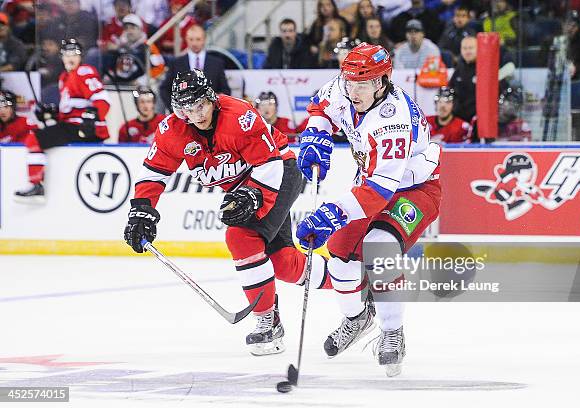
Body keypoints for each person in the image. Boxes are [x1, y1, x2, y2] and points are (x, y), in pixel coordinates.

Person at [123, 69, 332, 356]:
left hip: (279, 173)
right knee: (283, 263)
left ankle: (266, 323)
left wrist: (253, 194)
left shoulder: (239, 117)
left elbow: (269, 162)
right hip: (248, 184)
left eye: (200, 106)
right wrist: (142, 210)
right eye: (187, 109)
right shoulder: (173, 130)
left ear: (211, 98)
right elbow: (154, 173)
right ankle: (354, 281)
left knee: (240, 237)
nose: (196, 116)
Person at [295, 43, 442, 376]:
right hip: (370, 185)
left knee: (379, 246)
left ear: (382, 82)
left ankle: (392, 331)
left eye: (363, 83)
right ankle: (357, 318)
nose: (354, 89)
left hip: (415, 190)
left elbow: (379, 191)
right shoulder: (345, 87)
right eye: (350, 81)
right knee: (339, 250)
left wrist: (330, 213)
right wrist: (317, 134)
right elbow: (319, 104)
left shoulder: (393, 120)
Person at [14, 39, 111, 203]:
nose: (71, 57)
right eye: (67, 54)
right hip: (73, 126)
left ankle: (37, 185)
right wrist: (51, 114)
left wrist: (92, 116)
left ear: (81, 57)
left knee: (34, 138)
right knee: (37, 135)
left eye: (75, 53)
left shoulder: (83, 71)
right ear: (62, 57)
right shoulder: (64, 77)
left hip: (85, 128)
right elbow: (70, 111)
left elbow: (103, 100)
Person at [161, 25, 230, 110]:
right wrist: (174, 109)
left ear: (204, 40)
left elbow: (225, 90)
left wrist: (215, 106)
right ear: (186, 39)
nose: (194, 43)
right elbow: (164, 89)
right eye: (191, 39)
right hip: (184, 115)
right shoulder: (176, 63)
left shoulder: (217, 63)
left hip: (211, 113)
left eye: (198, 39)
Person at [0, 91, 42, 191]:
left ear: (13, 108)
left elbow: (40, 139)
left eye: (6, 107)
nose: (2, 111)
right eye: (0, 107)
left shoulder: (25, 123)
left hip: (22, 171)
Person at [449, 36, 477, 123]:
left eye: (471, 48)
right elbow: (450, 90)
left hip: (478, 120)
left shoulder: (485, 68)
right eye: (464, 48)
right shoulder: (459, 69)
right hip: (458, 119)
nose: (467, 51)